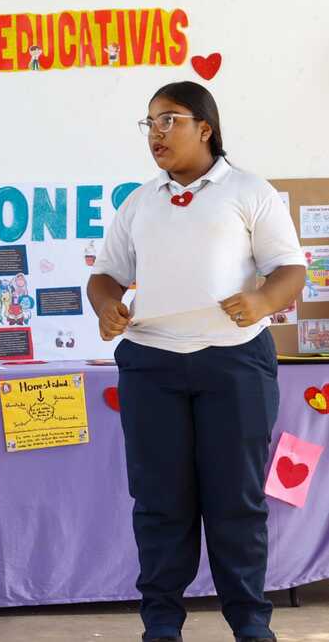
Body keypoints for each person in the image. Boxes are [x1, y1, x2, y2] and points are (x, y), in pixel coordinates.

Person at [87, 81, 305, 642]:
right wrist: (109, 305)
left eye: (170, 121)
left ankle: (251, 622)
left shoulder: (249, 191)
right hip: (152, 364)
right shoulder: (138, 201)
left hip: (235, 365)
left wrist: (260, 300)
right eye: (150, 123)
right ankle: (161, 622)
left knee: (236, 499)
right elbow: (104, 275)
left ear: (204, 128)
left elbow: (289, 270)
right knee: (160, 503)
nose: (156, 133)